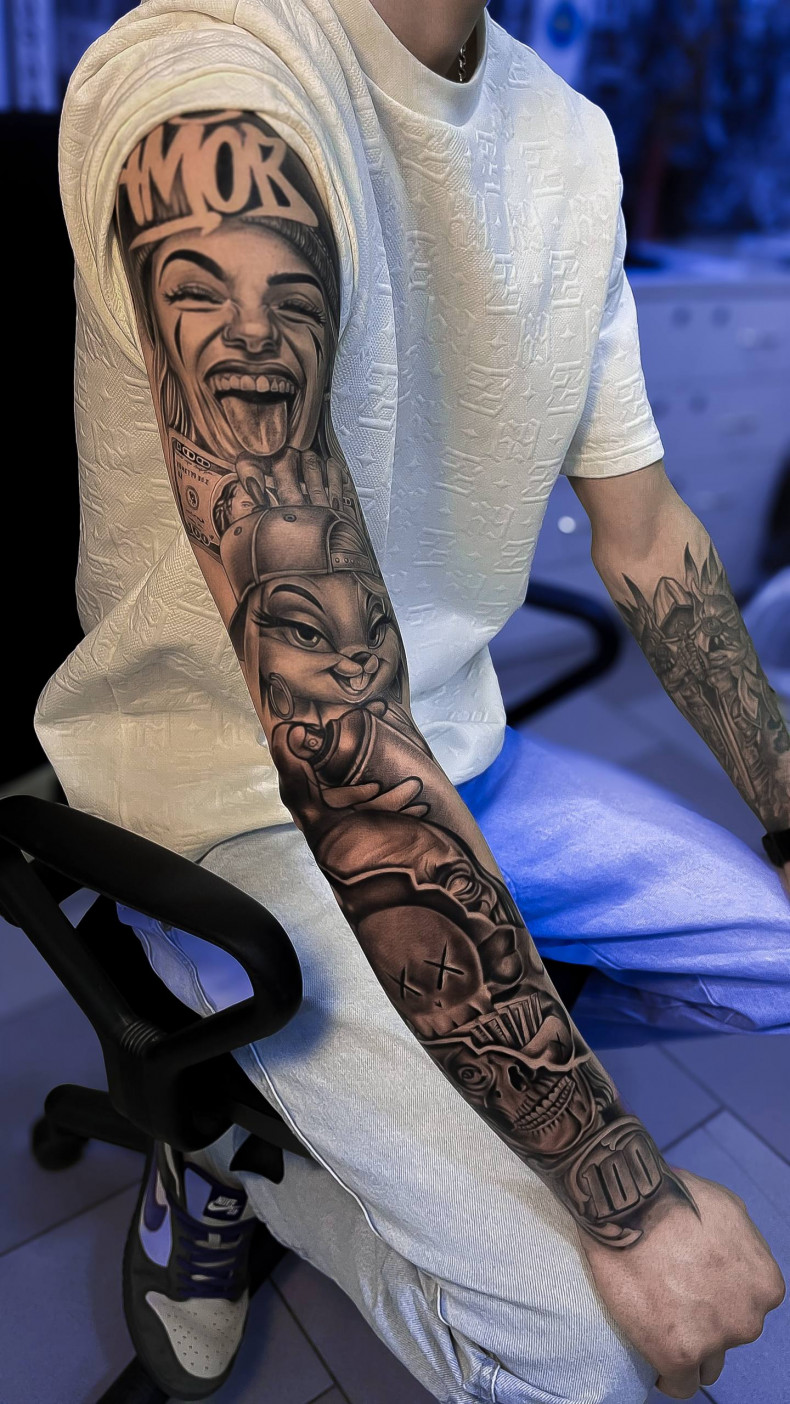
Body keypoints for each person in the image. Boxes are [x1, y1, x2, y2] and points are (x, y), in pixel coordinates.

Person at [38, 1, 789, 1401]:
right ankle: (242, 1156)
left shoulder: (568, 142)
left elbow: (644, 539)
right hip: (226, 802)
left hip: (456, 748)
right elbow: (331, 726)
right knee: (586, 1357)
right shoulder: (214, 95)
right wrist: (627, 1198)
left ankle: (397, 1082)